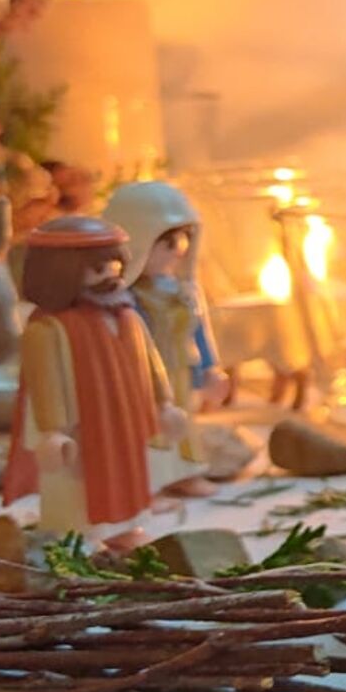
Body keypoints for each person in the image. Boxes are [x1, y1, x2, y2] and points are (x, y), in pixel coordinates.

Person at [2, 215, 187, 549]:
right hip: (77, 430)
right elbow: (45, 385)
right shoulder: (46, 331)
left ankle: (126, 524)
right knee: (74, 488)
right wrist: (52, 430)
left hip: (123, 423)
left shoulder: (127, 317)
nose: (112, 277)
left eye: (116, 267)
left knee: (129, 473)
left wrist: (164, 403)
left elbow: (150, 362)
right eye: (99, 269)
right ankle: (79, 535)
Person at [105, 181, 227, 495]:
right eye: (167, 242)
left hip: (181, 369)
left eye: (183, 238)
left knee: (183, 423)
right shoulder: (126, 298)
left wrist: (211, 369)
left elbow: (199, 331)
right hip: (143, 376)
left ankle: (185, 472)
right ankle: (147, 482)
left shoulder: (182, 290)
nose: (178, 249)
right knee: (149, 427)